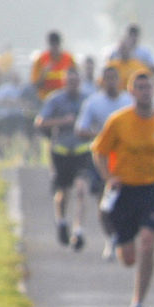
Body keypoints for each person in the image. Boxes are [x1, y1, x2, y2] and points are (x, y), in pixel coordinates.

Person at [92, 68, 154, 307]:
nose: (145, 92)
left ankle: (138, 302)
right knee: (128, 258)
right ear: (131, 92)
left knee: (148, 243)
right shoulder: (118, 121)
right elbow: (99, 151)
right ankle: (120, 242)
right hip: (123, 191)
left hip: (150, 190)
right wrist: (108, 177)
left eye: (149, 87)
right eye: (139, 88)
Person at [76, 64, 134, 259]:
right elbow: (81, 129)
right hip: (102, 158)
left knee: (126, 200)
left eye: (114, 78)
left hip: (126, 159)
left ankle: (124, 236)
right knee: (105, 202)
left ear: (119, 80)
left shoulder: (128, 101)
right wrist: (104, 136)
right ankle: (111, 238)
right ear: (101, 81)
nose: (111, 82)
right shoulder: (93, 103)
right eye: (107, 78)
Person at [36, 65, 93, 251]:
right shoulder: (55, 100)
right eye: (70, 81)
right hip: (61, 151)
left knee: (81, 190)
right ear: (64, 82)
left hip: (82, 150)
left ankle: (79, 231)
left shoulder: (87, 100)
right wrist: (62, 121)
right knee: (63, 192)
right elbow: (40, 122)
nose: (73, 85)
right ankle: (61, 222)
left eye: (76, 81)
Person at [0, 70, 26, 160]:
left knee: (11, 137)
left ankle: (16, 154)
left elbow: (21, 102)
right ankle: (0, 154)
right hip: (0, 117)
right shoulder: (1, 90)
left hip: (11, 116)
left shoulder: (19, 88)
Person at [30, 30, 75, 97]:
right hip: (45, 98)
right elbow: (34, 85)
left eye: (56, 44)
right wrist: (43, 74)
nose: (54, 48)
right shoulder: (41, 59)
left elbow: (76, 79)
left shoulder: (69, 59)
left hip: (65, 99)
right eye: (52, 45)